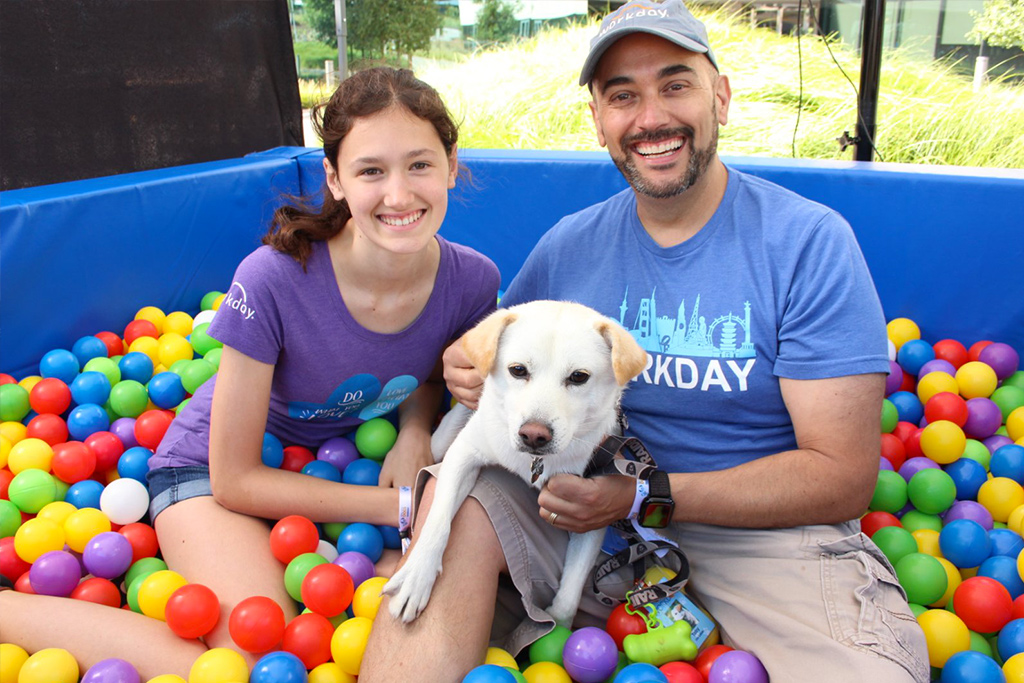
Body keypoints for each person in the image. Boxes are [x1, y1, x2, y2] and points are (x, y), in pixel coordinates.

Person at [362, 3, 929, 682]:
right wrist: (453, 383)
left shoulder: (806, 243)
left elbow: (841, 476)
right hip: (572, 506)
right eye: (622, 96)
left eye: (675, 84)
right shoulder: (569, 247)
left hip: (762, 539)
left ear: (720, 95)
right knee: (461, 505)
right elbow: (491, 372)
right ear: (600, 119)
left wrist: (640, 496)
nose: (651, 116)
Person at [0, 66, 500, 678]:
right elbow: (233, 478)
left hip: (339, 463)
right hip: (211, 477)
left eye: (419, 165)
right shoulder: (274, 278)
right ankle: (9, 613)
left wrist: (415, 429)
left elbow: (432, 371)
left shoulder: (474, 280)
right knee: (257, 657)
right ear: (335, 179)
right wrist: (396, 507)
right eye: (371, 170)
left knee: (370, 635)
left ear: (452, 164)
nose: (398, 195)